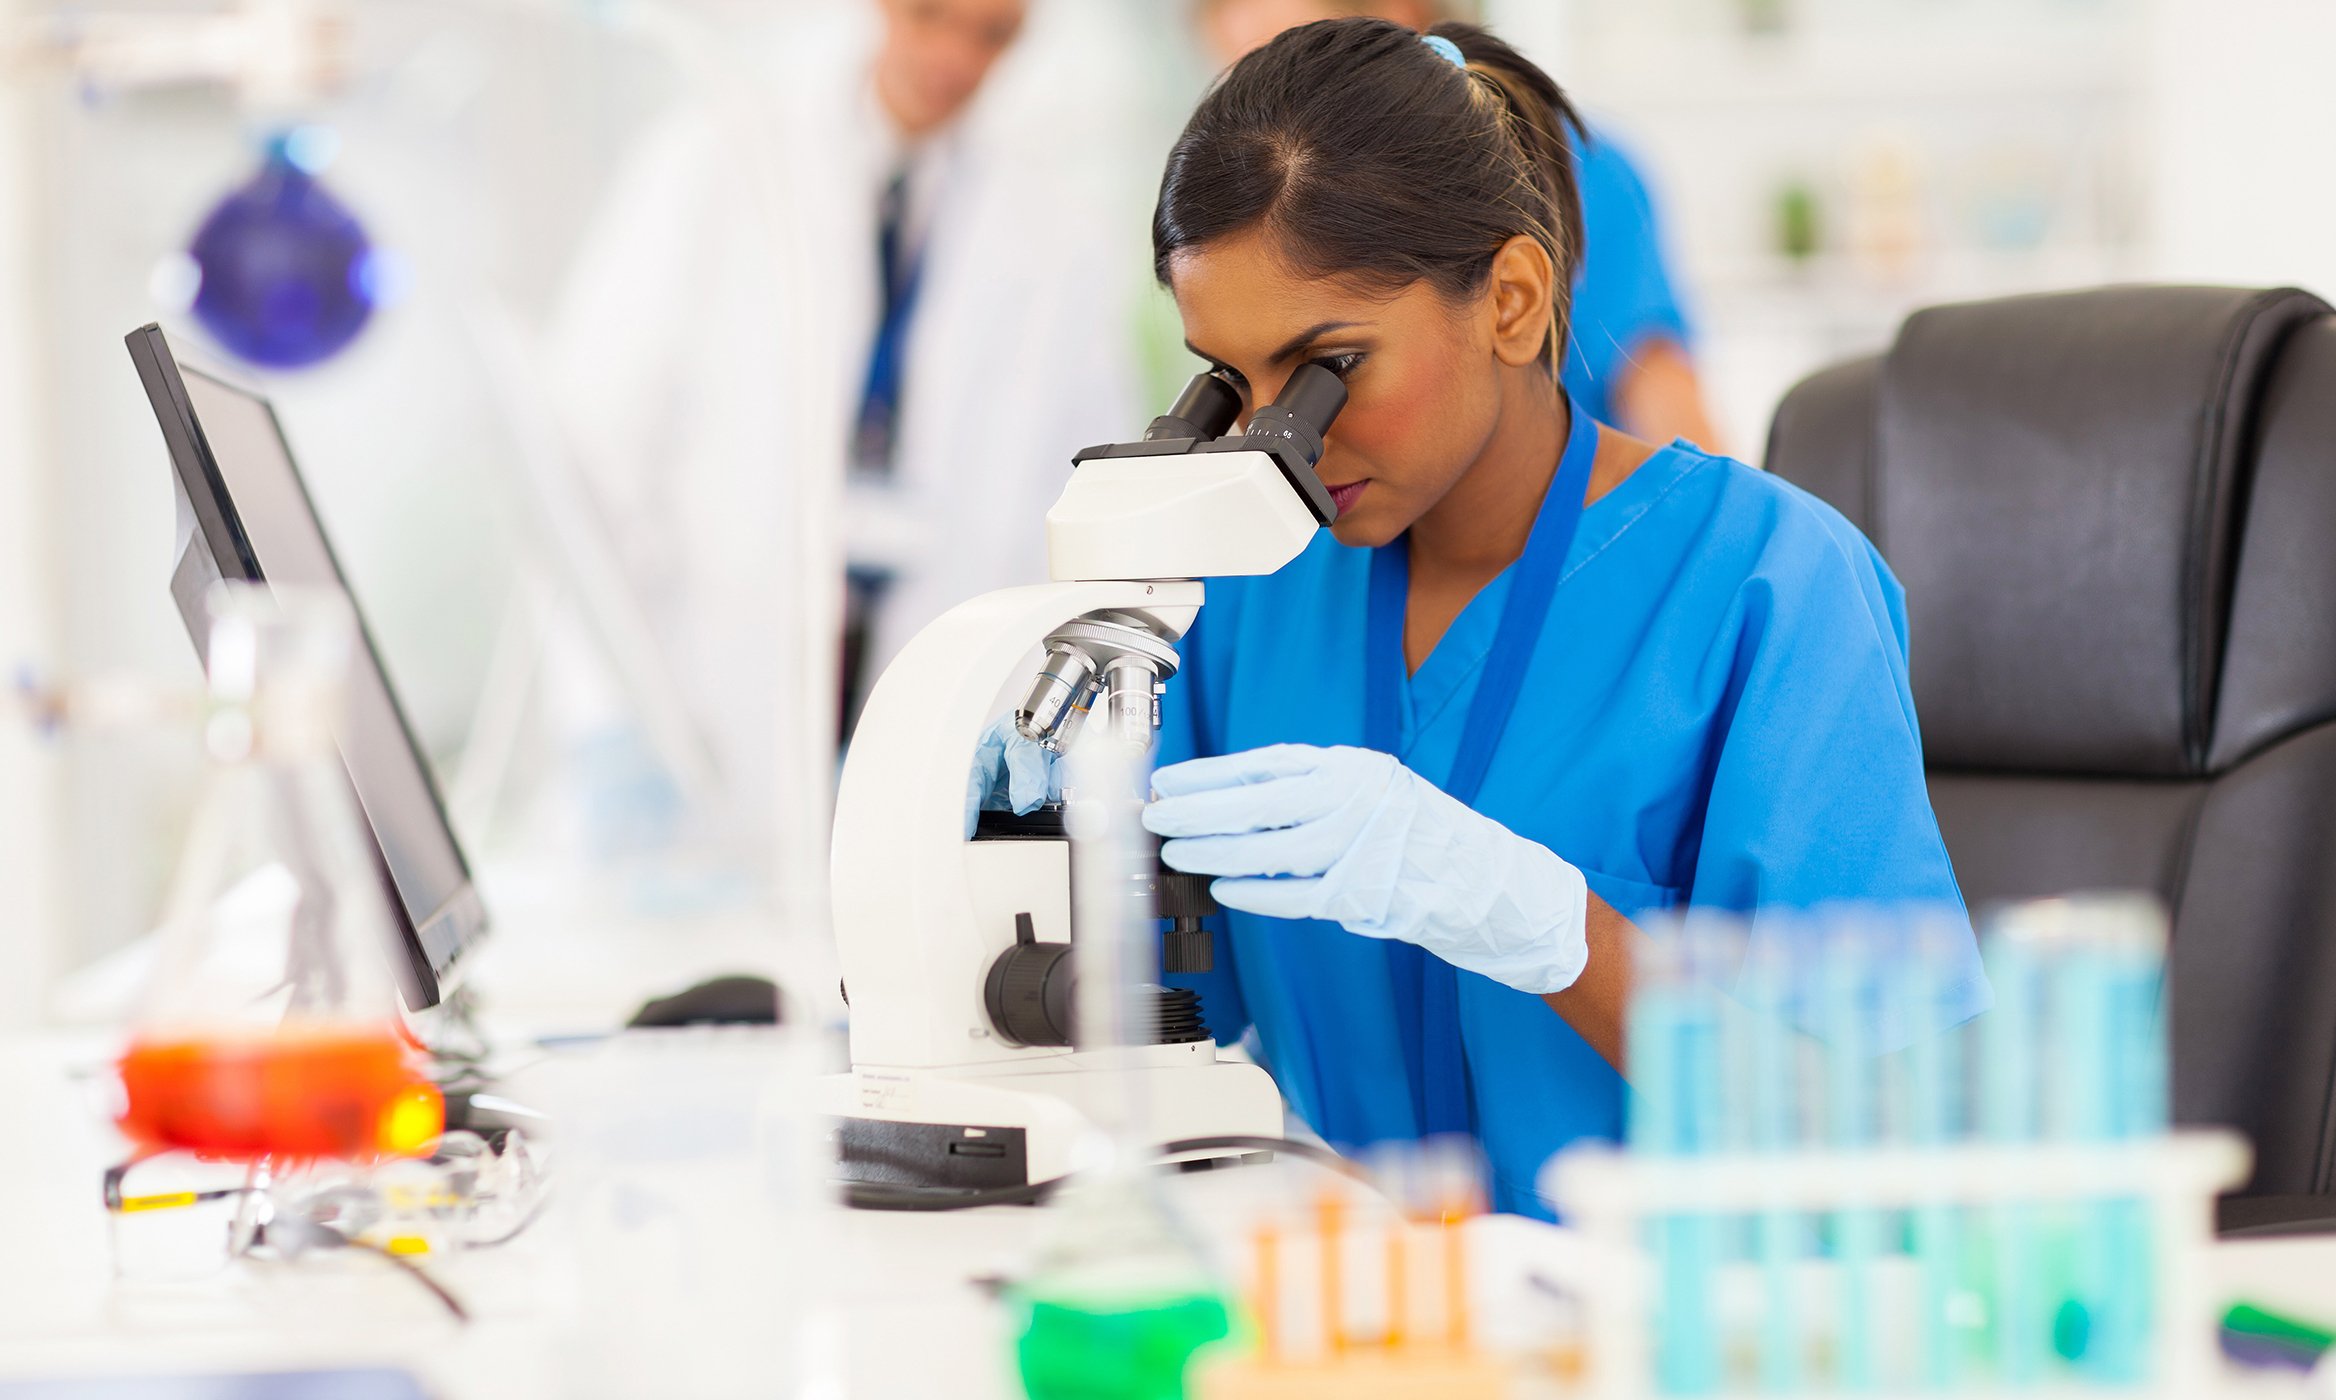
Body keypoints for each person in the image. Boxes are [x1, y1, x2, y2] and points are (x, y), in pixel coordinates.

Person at [985, 18, 1985, 1217]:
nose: (1274, 437)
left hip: (1663, 1328)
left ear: (1509, 300)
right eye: (1233, 383)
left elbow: (1895, 1124)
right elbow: (1135, 1005)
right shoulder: (1248, 589)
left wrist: (1557, 925)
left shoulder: (1768, 585)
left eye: (1326, 368)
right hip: (1366, 1316)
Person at [548, 0, 1145, 830]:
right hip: (711, 680)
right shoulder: (713, 163)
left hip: (931, 687)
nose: (955, 58)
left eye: (993, 35)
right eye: (932, 18)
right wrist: (614, 709)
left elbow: (1085, 505)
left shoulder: (1056, 239)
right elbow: (595, 449)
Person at [1194, 0, 1721, 450]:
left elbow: (1656, 380)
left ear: (1398, 16)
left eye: (1298, 72)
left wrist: (1691, 527)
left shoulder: (1578, 171)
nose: (1266, 125)